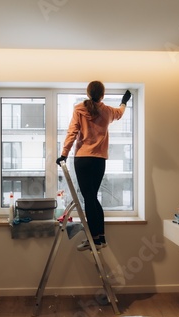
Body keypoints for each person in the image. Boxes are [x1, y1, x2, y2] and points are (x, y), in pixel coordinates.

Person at [56, 81, 131, 251]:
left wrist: (64, 154)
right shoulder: (107, 111)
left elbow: (72, 132)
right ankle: (100, 238)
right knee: (93, 197)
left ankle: (94, 240)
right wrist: (124, 101)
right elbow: (119, 113)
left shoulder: (79, 109)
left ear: (88, 93)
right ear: (102, 95)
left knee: (89, 198)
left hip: (82, 159)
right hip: (99, 160)